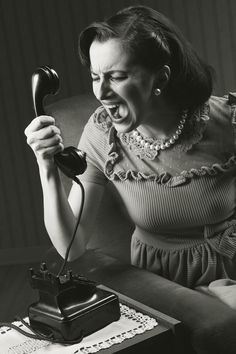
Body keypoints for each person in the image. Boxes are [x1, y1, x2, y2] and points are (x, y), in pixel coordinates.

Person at [24, 5, 236, 290]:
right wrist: (45, 164)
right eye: (96, 77)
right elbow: (69, 248)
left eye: (117, 76)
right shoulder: (102, 136)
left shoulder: (228, 120)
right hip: (165, 291)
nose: (101, 92)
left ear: (160, 78)